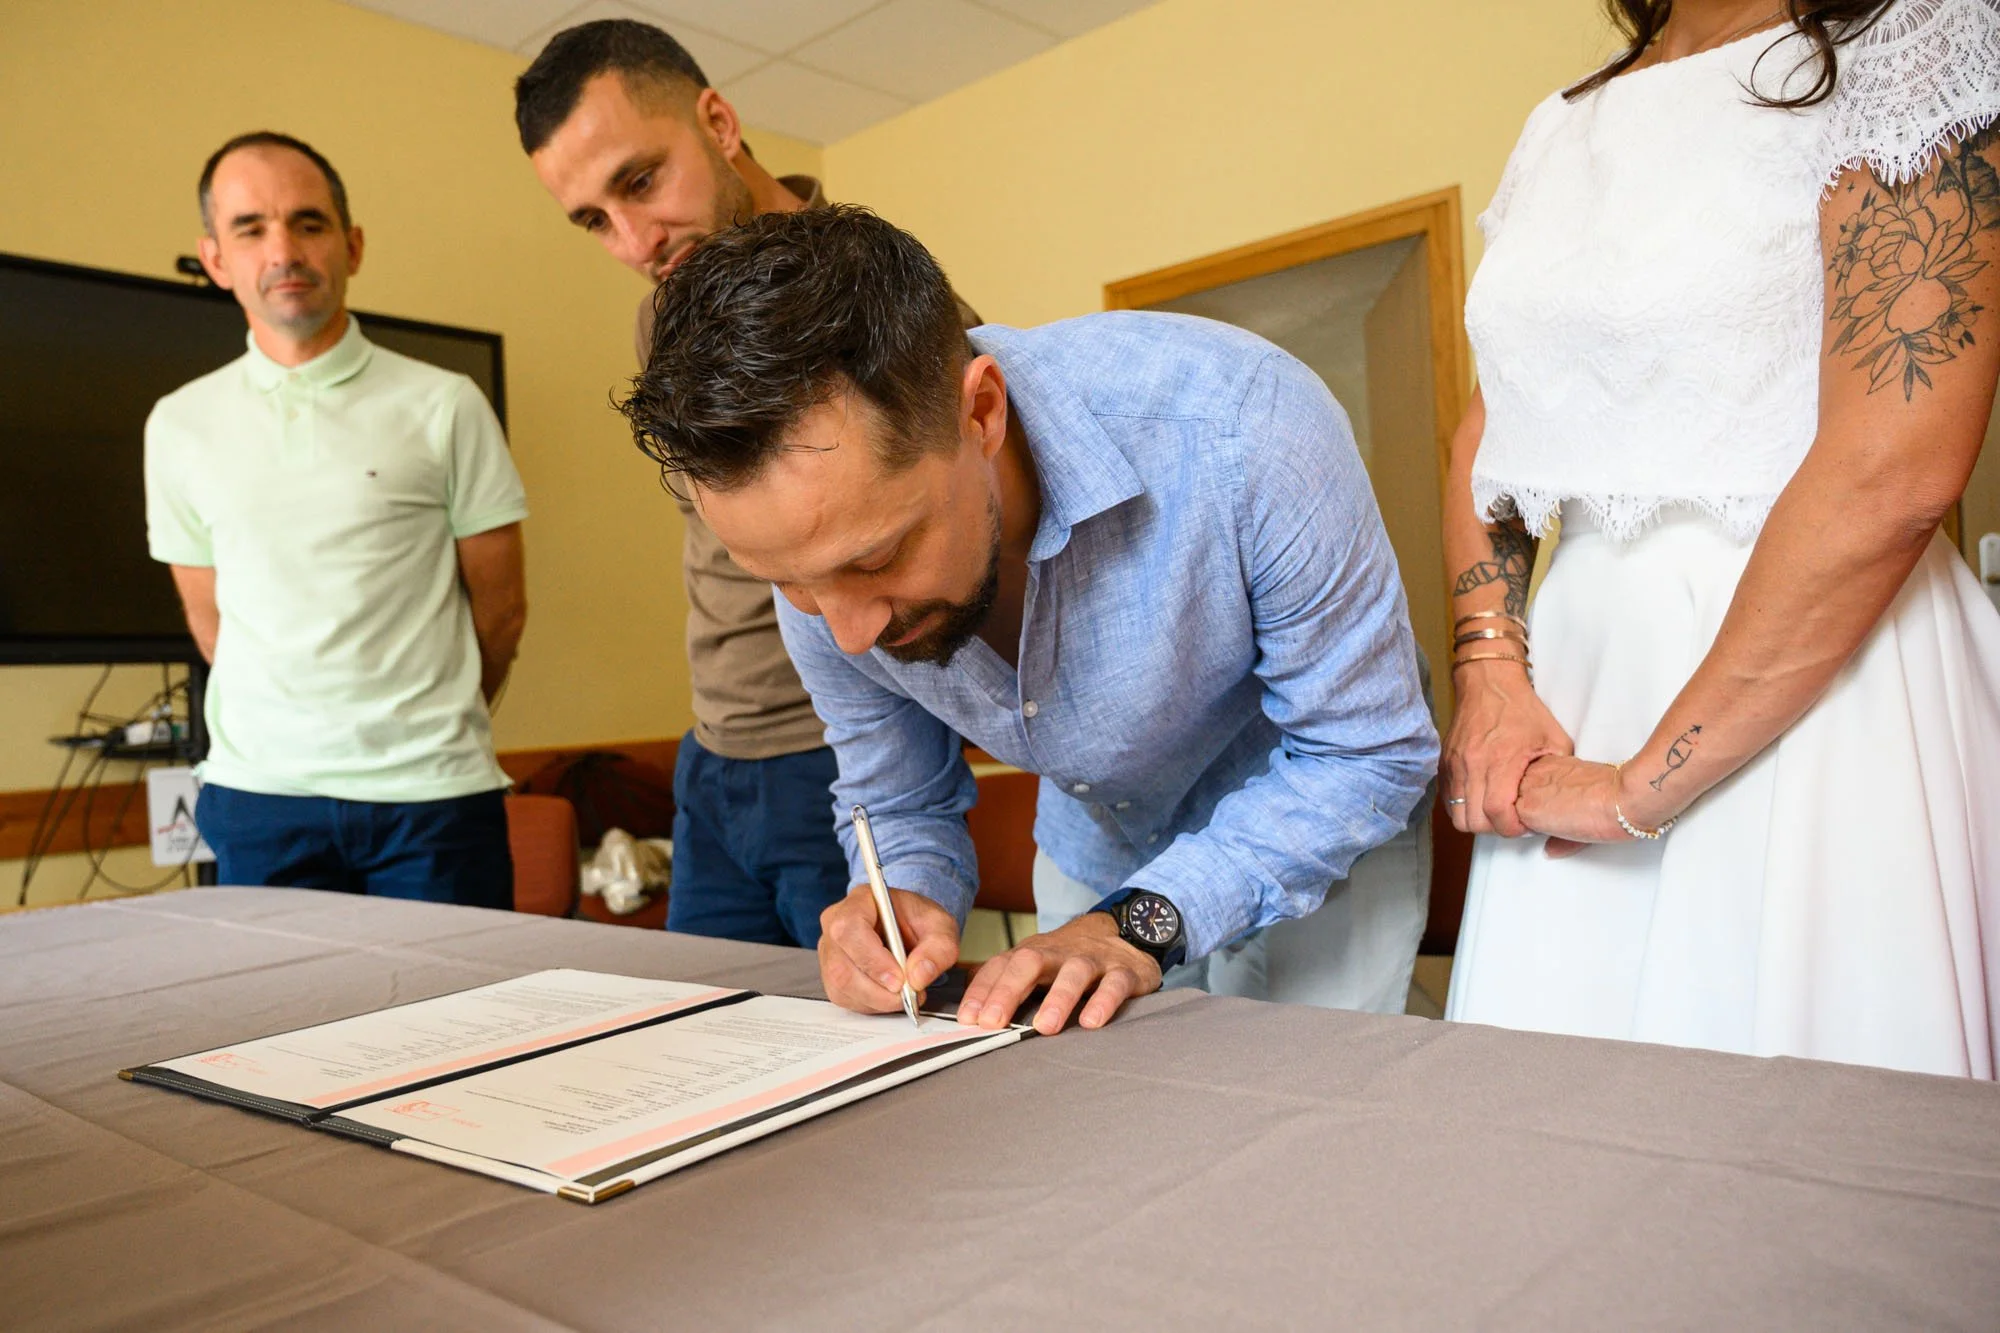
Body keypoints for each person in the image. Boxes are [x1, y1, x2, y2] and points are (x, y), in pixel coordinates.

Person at [616, 206, 1439, 1034]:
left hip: (1322, 825)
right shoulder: (821, 562)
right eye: (787, 582)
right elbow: (898, 795)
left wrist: (1138, 922)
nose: (848, 632)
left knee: (1313, 1126)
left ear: (981, 414)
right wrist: (902, 890)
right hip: (1097, 846)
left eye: (877, 560)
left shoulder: (1249, 427)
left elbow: (1366, 748)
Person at [1440, 0, 2000, 1076]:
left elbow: (1893, 464)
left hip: (1819, 675)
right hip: (1576, 683)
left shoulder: (1912, 43)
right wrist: (1487, 668)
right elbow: (1489, 426)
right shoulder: (1564, 121)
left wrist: (1641, 784)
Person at [512, 20, 978, 948]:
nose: (633, 239)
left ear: (719, 122)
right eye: (593, 219)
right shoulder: (665, 316)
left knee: (865, 1068)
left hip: (839, 759)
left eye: (641, 181)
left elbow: (970, 535)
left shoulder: (881, 295)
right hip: (712, 755)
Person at [146, 132, 529, 906]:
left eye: (309, 223)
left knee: (470, 1026)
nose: (283, 249)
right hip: (260, 802)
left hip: (433, 800)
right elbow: (207, 616)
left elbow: (503, 610)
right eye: (251, 228)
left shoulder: (446, 402)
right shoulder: (177, 425)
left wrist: (426, 720)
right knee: (277, 1029)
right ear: (216, 258)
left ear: (351, 245)